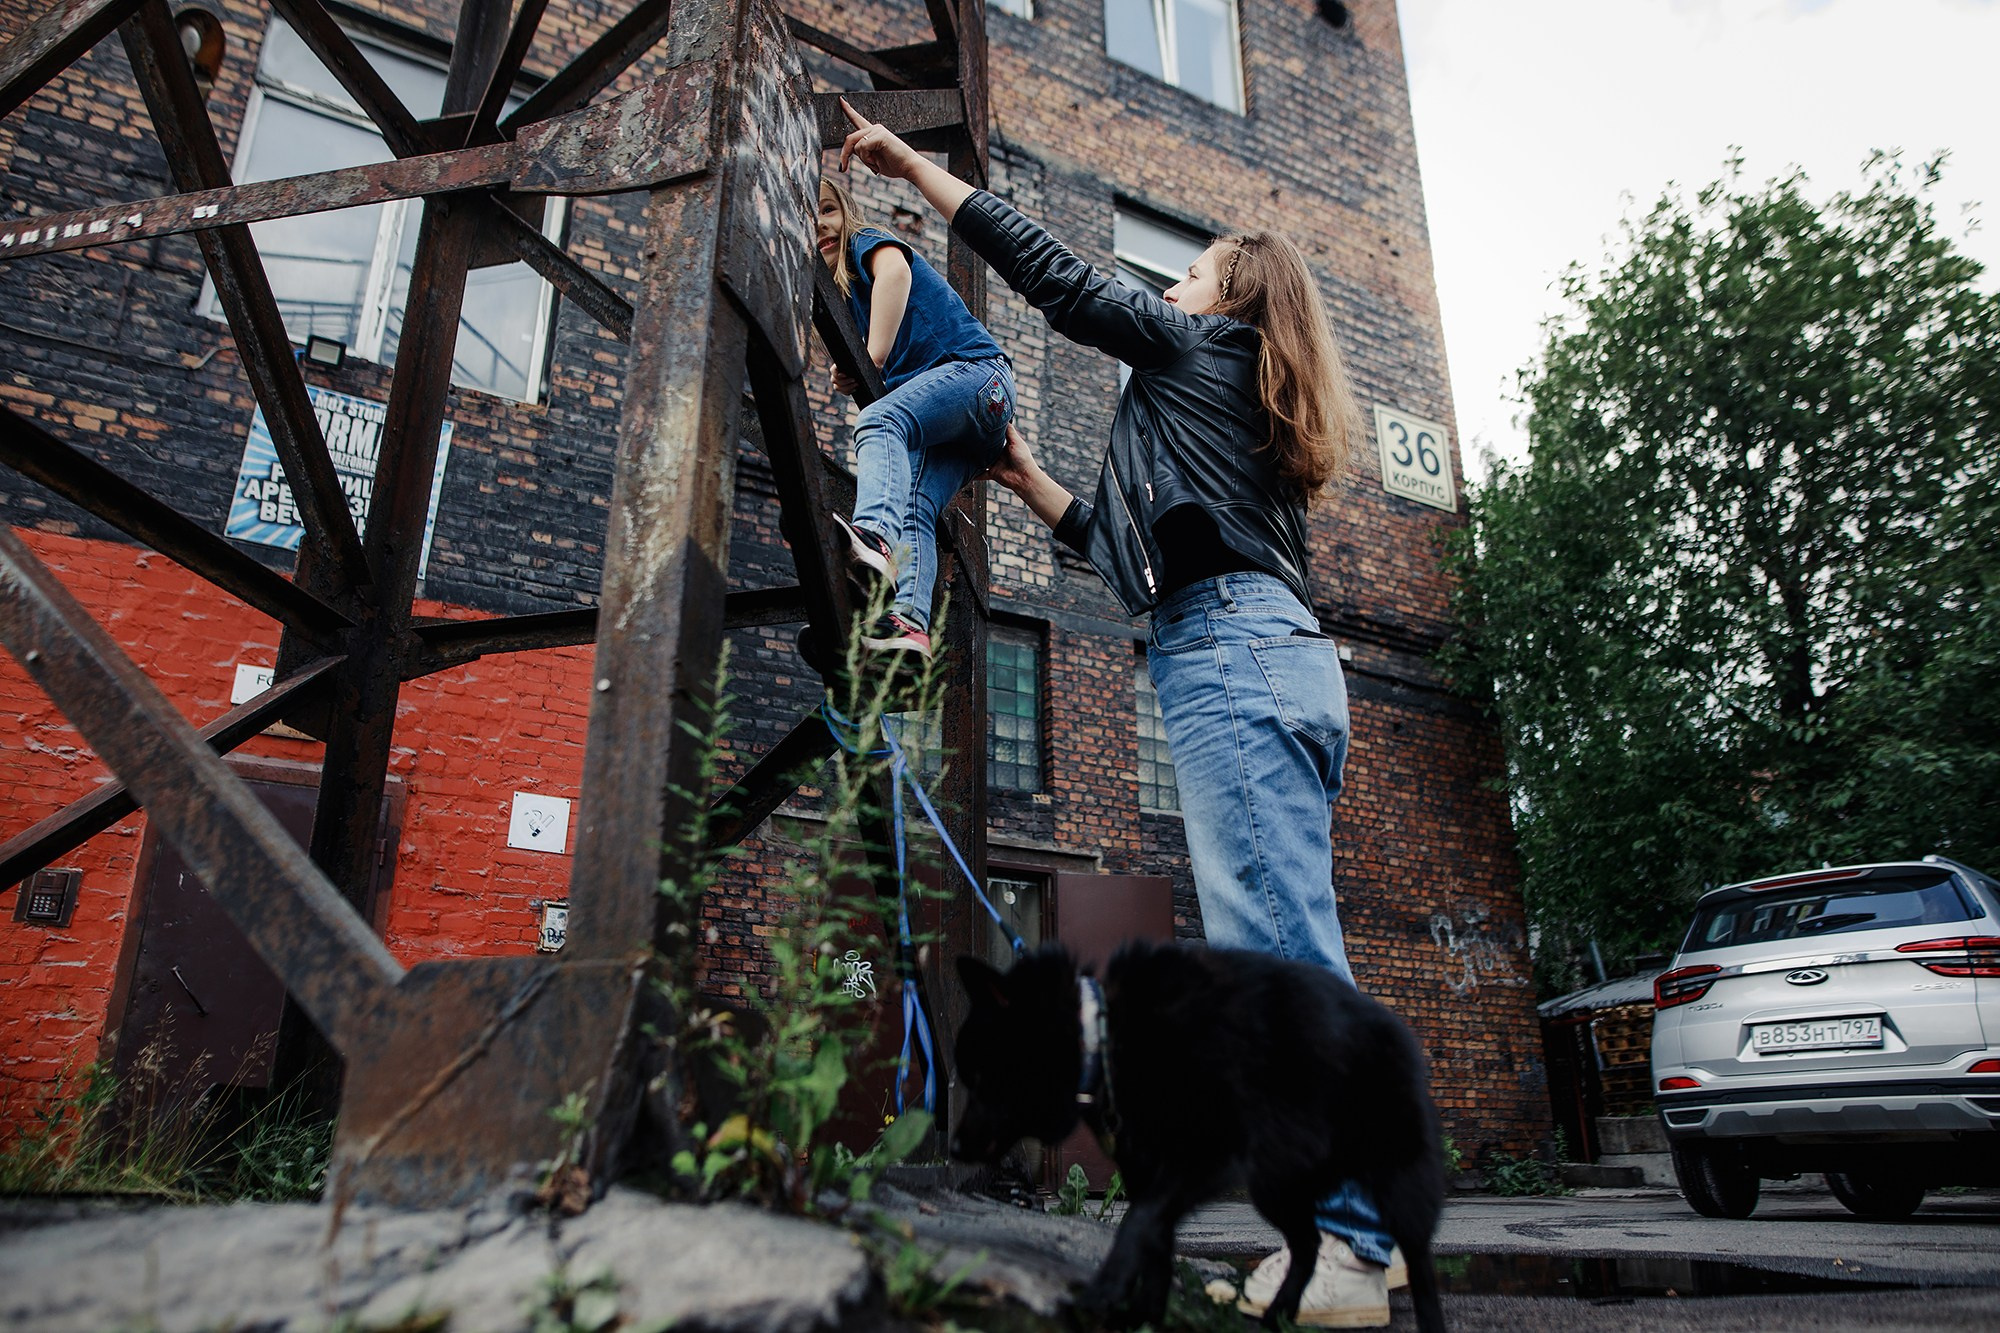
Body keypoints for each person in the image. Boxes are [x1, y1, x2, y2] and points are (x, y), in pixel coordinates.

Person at [836, 101, 1403, 1326]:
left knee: (1276, 955)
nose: (1168, 286)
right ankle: (1365, 1228)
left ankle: (1350, 1250)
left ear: (1233, 299)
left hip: (1232, 660)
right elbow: (1113, 549)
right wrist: (1022, 475)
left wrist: (915, 167)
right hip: (1263, 654)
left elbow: (1062, 282)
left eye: (1187, 272)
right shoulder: (1227, 405)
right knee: (1294, 941)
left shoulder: (1202, 351)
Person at [816, 175, 1015, 659]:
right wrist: (852, 369)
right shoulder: (846, 301)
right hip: (972, 426)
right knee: (914, 507)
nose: (819, 224)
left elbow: (896, 274)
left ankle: (874, 539)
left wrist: (873, 356)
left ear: (848, 214)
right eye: (807, 217)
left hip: (974, 374)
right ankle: (908, 626)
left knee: (880, 422)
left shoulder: (865, 242)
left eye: (827, 210)